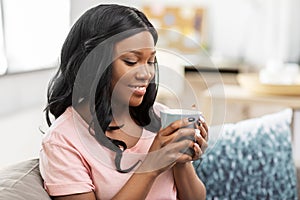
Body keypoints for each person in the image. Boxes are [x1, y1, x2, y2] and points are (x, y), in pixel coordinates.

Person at [39, 4, 208, 200]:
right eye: (131, 61)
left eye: (151, 61)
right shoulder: (63, 141)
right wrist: (150, 166)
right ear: (94, 64)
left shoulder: (161, 117)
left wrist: (181, 161)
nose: (146, 74)